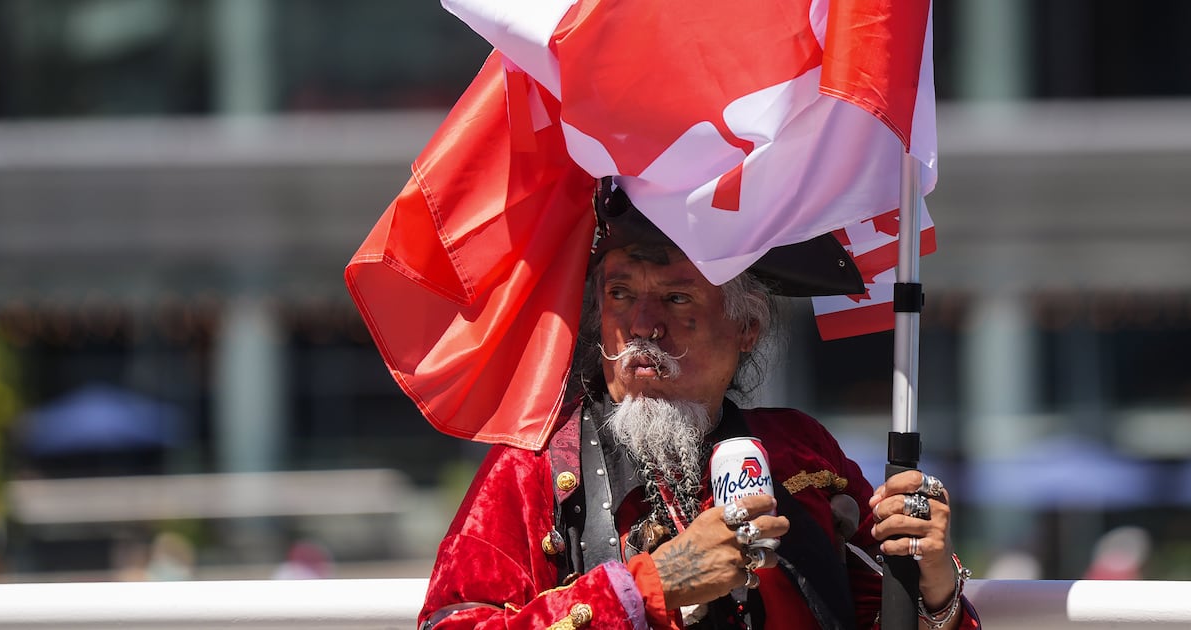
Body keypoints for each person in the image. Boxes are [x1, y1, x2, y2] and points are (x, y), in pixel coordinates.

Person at [418, 183, 979, 629]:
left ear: (747, 327)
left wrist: (933, 589)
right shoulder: (530, 469)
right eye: (620, 294)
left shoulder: (803, 454)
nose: (642, 325)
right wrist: (651, 587)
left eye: (676, 297)